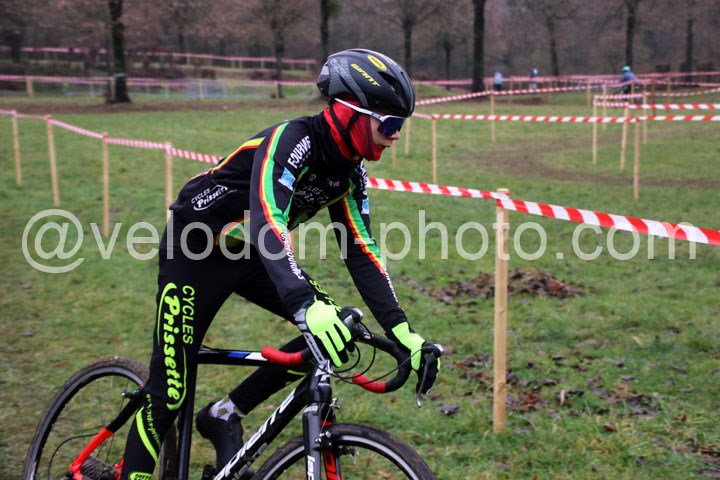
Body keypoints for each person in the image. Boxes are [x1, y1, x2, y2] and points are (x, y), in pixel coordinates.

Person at [119, 48, 441, 479]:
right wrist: (303, 303)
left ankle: (225, 413)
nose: (396, 135)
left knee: (338, 331)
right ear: (350, 113)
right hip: (195, 247)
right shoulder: (292, 141)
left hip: (250, 253)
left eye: (401, 125)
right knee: (169, 392)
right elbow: (268, 219)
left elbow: (361, 251)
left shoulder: (351, 173)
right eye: (389, 123)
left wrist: (403, 331)